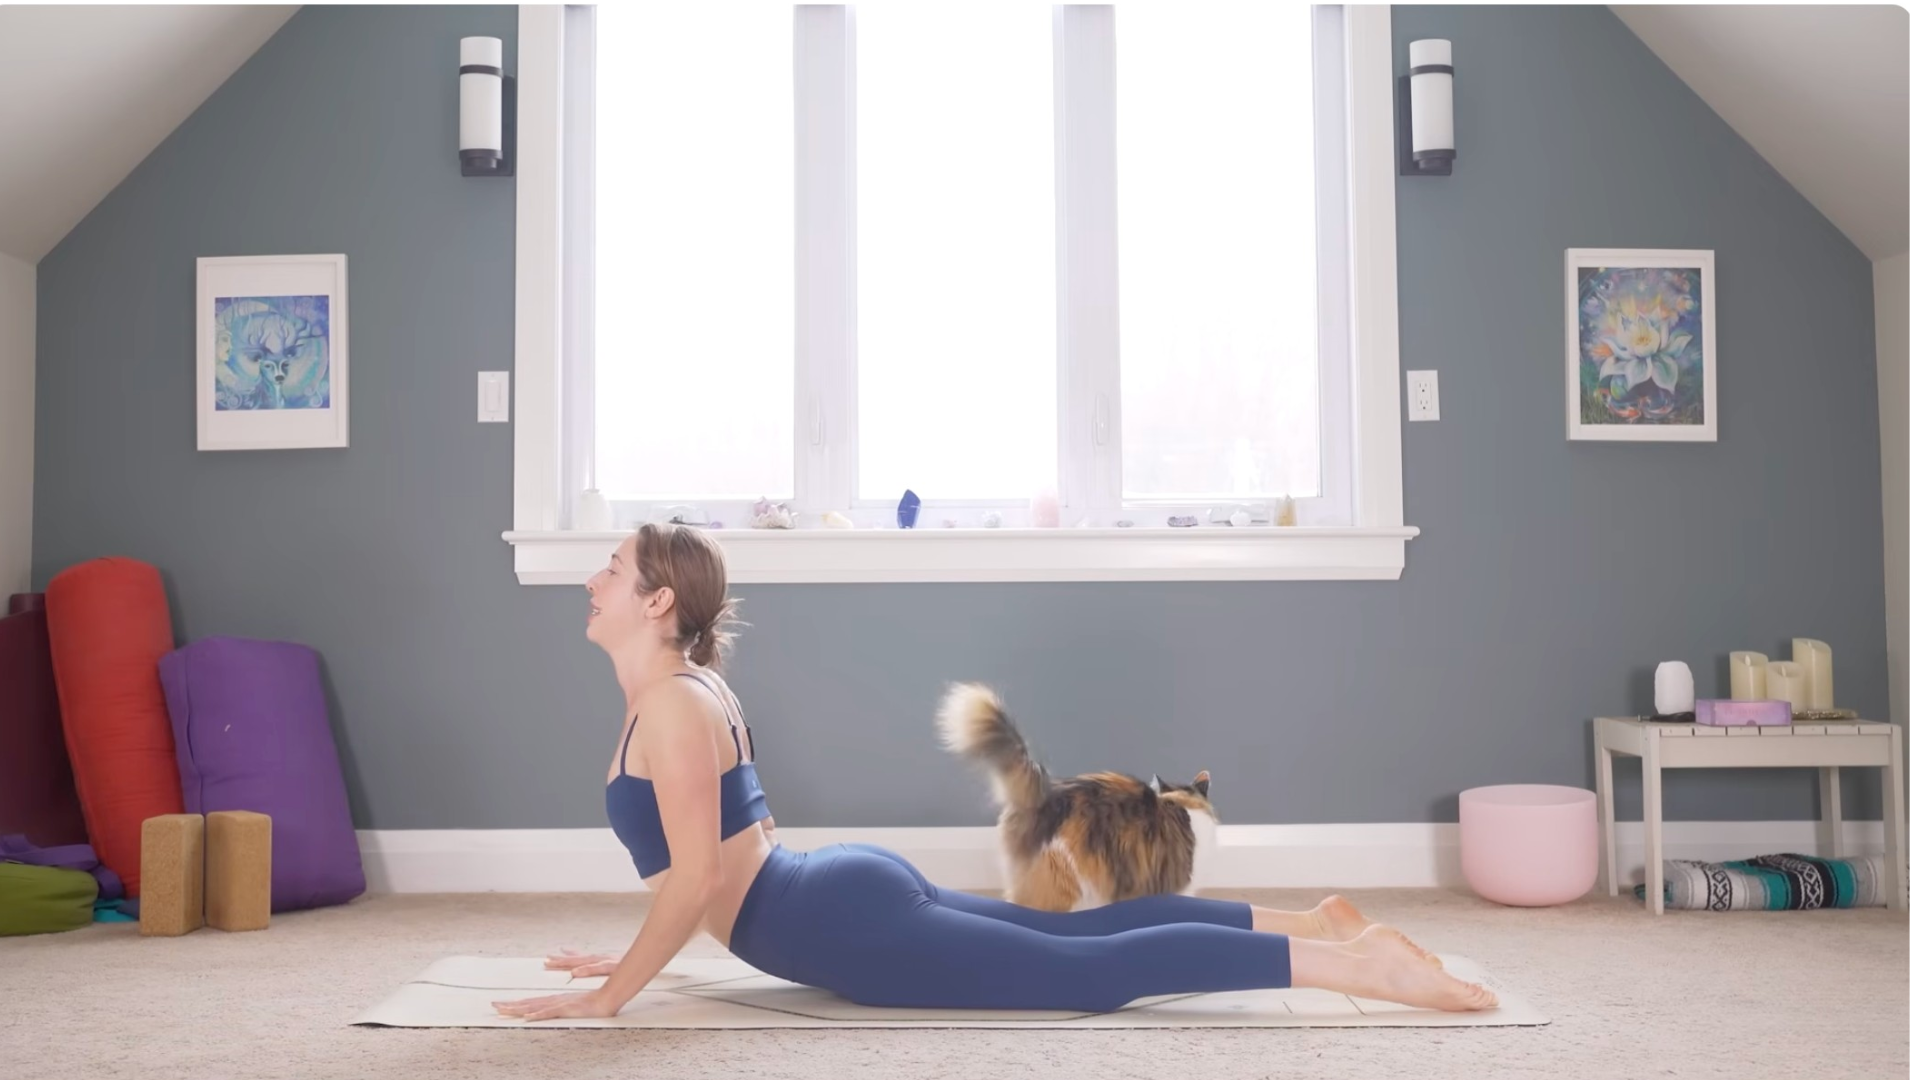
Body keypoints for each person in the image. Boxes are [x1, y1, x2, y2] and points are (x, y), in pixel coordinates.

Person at [493, 524, 1497, 1021]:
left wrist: (613, 994)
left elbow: (703, 880)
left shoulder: (671, 705)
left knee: (1087, 975)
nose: (592, 580)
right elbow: (705, 864)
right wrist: (629, 959)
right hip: (838, 893)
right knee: (1087, 939)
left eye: (611, 570)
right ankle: (1318, 923)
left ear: (660, 602)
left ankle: (1360, 970)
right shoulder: (687, 692)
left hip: (832, 920)